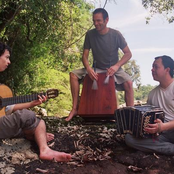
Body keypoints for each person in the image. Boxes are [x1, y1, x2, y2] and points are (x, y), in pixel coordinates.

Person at [0, 42, 72, 162]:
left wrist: (31, 104)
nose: (9, 62)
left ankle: (44, 149)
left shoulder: (2, 89)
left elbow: (8, 108)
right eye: (7, 57)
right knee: (28, 115)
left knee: (40, 123)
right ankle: (34, 136)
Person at [66, 8, 134, 121]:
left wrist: (116, 66)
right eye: (94, 20)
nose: (95, 23)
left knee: (129, 83)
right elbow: (85, 56)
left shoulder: (116, 34)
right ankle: (74, 109)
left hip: (113, 69)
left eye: (98, 21)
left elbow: (128, 54)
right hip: (96, 68)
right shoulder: (90, 34)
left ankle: (130, 117)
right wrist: (88, 68)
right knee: (73, 75)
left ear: (106, 20)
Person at [125, 55, 174, 155]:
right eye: (152, 67)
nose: (152, 70)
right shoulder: (152, 94)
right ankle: (170, 148)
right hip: (160, 135)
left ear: (167, 70)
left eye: (156, 67)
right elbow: (147, 116)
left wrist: (163, 126)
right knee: (129, 138)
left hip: (170, 129)